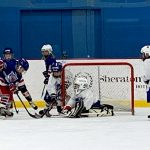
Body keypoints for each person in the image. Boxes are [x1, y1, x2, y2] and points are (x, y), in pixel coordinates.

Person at [140, 45, 150, 118]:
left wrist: (145, 79)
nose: (142, 56)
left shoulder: (147, 61)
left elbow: (147, 74)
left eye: (143, 54)